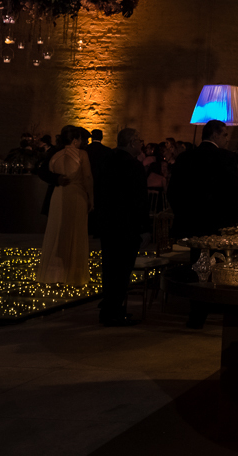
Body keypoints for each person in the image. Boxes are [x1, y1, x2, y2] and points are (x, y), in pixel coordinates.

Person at [94, 128, 149, 326]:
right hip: (127, 226)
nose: (142, 144)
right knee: (122, 271)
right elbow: (139, 200)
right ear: (132, 142)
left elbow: (99, 192)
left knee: (109, 269)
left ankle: (109, 308)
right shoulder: (133, 166)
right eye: (139, 140)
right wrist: (144, 227)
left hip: (108, 225)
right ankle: (114, 311)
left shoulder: (107, 161)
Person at [37, 125, 95, 286]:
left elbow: (43, 171)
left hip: (58, 194)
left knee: (56, 231)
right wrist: (91, 198)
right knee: (74, 232)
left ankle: (53, 275)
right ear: (75, 140)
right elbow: (88, 177)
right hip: (76, 195)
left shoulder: (55, 154)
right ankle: (74, 276)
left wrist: (57, 179)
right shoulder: (82, 154)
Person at [168, 119, 238, 237]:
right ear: (215, 135)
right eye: (225, 135)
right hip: (218, 222)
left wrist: (182, 214)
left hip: (189, 221)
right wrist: (232, 220)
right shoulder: (226, 157)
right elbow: (234, 191)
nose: (227, 139)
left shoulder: (185, 157)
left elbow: (173, 190)